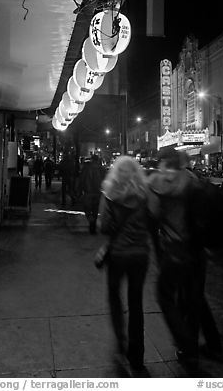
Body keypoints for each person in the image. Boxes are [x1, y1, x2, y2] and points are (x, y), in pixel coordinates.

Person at [147, 147, 221, 376]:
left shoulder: (157, 184)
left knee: (166, 297)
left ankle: (188, 348)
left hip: (174, 250)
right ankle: (206, 347)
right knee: (194, 298)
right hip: (197, 252)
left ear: (163, 162)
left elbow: (152, 219)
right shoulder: (192, 181)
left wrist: (158, 251)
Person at [97, 156, 151, 375]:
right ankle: (137, 355)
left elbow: (104, 228)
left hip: (118, 254)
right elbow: (153, 222)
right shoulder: (145, 196)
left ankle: (121, 341)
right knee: (136, 302)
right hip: (141, 254)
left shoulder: (109, 196)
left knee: (114, 296)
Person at [78, 154, 106, 234]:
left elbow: (82, 180)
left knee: (87, 209)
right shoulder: (102, 169)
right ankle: (93, 225)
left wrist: (79, 190)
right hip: (98, 192)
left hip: (88, 192)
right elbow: (106, 180)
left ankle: (91, 222)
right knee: (95, 210)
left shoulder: (86, 168)